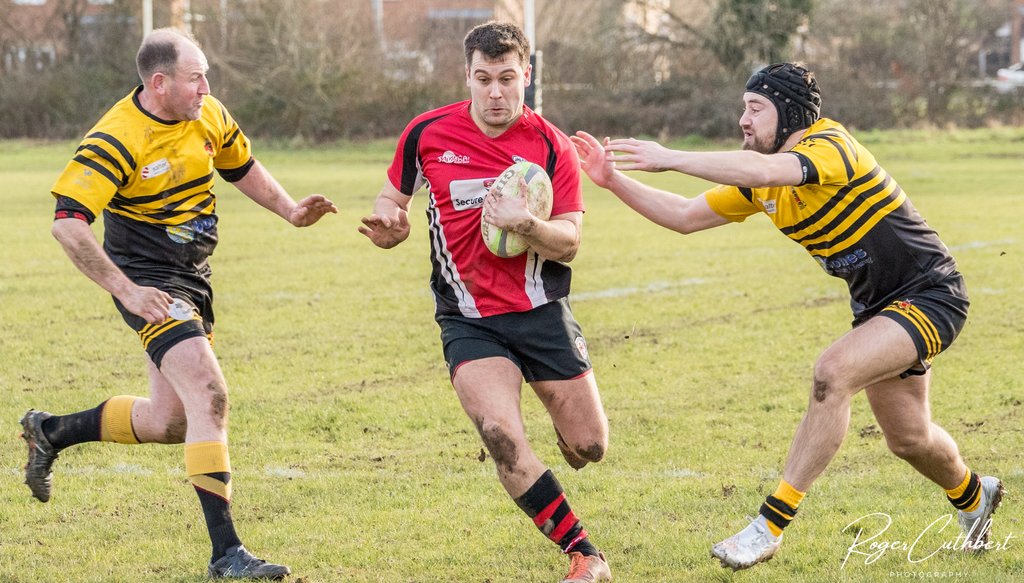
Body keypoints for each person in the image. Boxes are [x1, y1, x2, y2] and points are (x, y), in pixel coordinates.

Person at [571, 62, 1004, 571]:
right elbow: (686, 216)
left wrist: (671, 157)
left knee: (832, 374)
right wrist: (613, 180)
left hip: (932, 294)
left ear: (792, 112)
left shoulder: (829, 146)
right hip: (877, 309)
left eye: (756, 108)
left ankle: (768, 527)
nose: (743, 120)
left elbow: (767, 169)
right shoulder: (764, 183)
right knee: (909, 439)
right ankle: (975, 497)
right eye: (744, 108)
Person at [20, 28, 337, 580]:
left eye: (206, 75)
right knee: (210, 394)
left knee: (170, 421)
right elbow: (67, 226)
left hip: (193, 277)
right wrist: (128, 291)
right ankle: (227, 554)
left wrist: (290, 210)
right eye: (196, 78)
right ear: (160, 83)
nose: (206, 87)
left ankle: (51, 431)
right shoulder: (117, 137)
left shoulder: (206, 112)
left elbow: (241, 165)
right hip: (150, 285)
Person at [359, 21, 612, 583]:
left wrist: (526, 224)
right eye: (483, 79)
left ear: (527, 75)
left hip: (541, 311)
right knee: (500, 436)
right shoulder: (426, 133)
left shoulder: (550, 144)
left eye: (506, 78)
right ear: (467, 77)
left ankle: (564, 432)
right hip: (469, 319)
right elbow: (391, 199)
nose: (495, 93)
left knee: (590, 446)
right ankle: (584, 554)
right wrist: (390, 223)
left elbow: (570, 242)